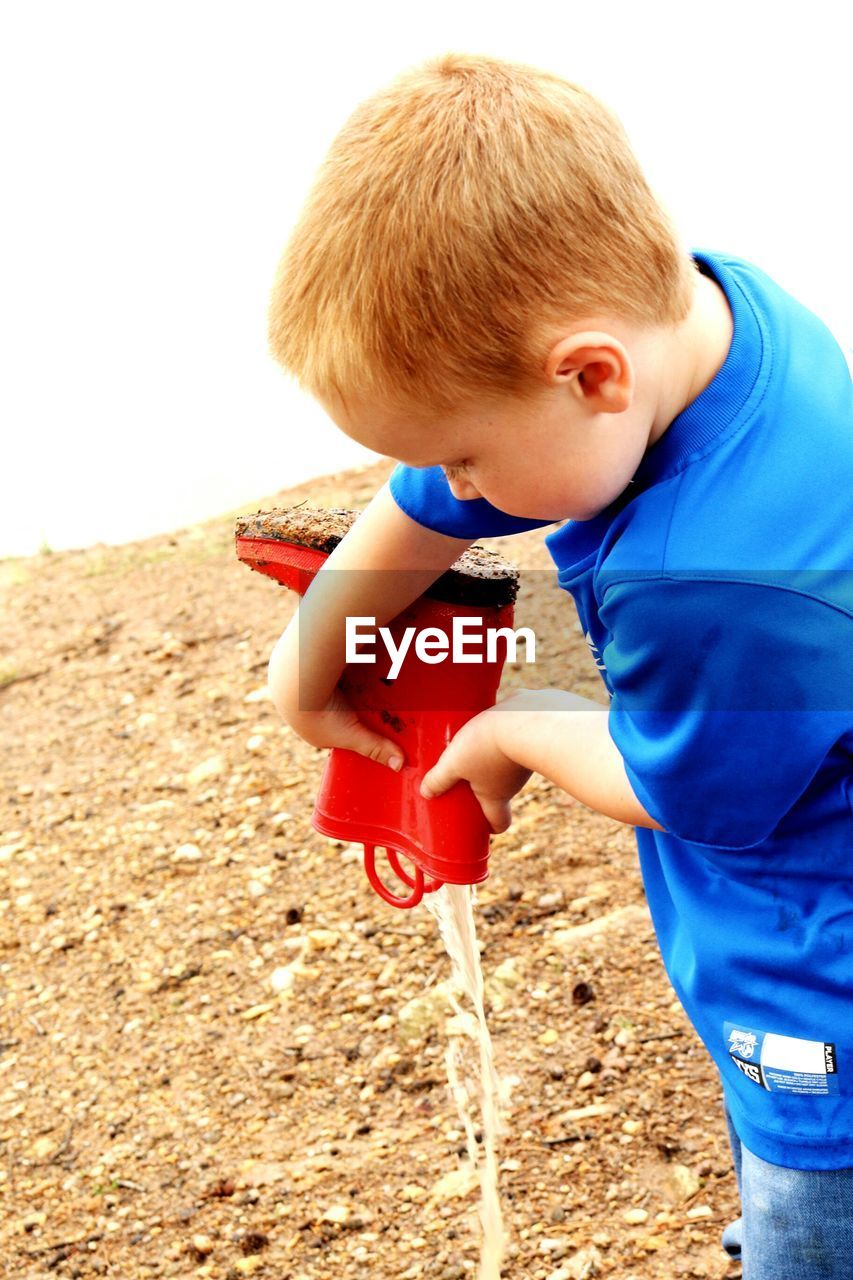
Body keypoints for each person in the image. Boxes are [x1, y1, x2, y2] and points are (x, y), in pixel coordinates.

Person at [265, 53, 853, 1277]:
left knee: (808, 1210)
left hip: (817, 1001)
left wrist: (514, 726)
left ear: (590, 374)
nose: (462, 487)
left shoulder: (713, 584)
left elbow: (675, 789)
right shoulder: (707, 310)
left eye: (472, 457)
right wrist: (312, 646)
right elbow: (431, 497)